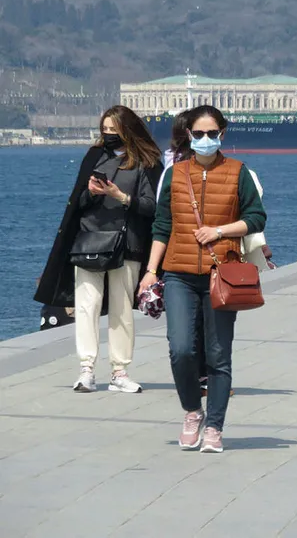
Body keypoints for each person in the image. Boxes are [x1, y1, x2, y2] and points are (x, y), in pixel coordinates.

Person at [139, 106, 266, 453]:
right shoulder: (174, 174)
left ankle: (215, 426)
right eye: (198, 134)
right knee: (181, 349)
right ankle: (193, 411)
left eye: (212, 134)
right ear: (189, 136)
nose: (205, 140)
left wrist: (220, 231)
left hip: (220, 273)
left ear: (222, 133)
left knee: (218, 354)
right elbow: (162, 226)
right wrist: (150, 272)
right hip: (178, 273)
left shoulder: (240, 173)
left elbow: (256, 218)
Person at [36, 106, 162, 394]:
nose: (108, 136)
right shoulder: (94, 156)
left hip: (127, 243)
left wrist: (121, 196)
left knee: (121, 310)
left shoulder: (147, 162)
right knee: (86, 305)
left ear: (127, 131)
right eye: (104, 130)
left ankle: (120, 370)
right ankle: (86, 369)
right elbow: (76, 202)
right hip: (89, 241)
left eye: (113, 131)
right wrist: (90, 193)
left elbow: (152, 207)